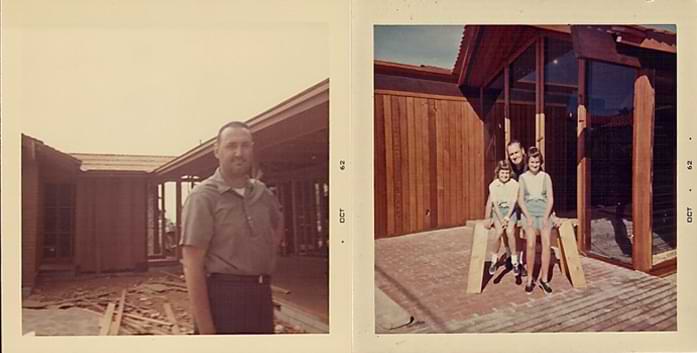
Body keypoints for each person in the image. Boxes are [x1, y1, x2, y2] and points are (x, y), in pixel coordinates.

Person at [180, 121, 284, 334]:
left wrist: (263, 255)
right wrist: (207, 330)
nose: (239, 152)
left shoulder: (262, 193)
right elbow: (192, 265)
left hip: (261, 296)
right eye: (231, 145)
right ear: (216, 150)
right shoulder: (203, 197)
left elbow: (278, 223)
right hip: (224, 300)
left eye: (245, 145)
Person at [484, 140, 529, 277]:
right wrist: (487, 217)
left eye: (516, 152)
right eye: (511, 154)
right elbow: (492, 197)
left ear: (522, 151)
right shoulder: (506, 169)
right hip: (507, 207)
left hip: (524, 206)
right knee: (505, 230)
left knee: (516, 231)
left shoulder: (531, 167)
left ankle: (518, 261)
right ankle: (509, 257)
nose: (514, 156)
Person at [518, 146, 555, 294]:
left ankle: (544, 279)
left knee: (546, 243)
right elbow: (520, 200)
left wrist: (546, 217)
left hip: (544, 212)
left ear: (541, 162)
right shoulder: (523, 178)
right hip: (529, 213)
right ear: (528, 161)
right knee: (531, 243)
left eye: (537, 162)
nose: (535, 165)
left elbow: (550, 199)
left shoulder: (546, 177)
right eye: (532, 162)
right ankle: (529, 279)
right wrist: (527, 217)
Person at [484, 160, 520, 275]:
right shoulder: (493, 185)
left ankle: (515, 261)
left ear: (510, 173)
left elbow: (514, 202)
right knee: (498, 232)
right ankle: (494, 260)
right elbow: (494, 204)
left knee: (510, 232)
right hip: (499, 212)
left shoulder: (514, 184)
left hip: (510, 212)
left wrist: (507, 218)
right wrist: (500, 219)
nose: (504, 175)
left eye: (507, 173)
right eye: (502, 173)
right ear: (498, 173)